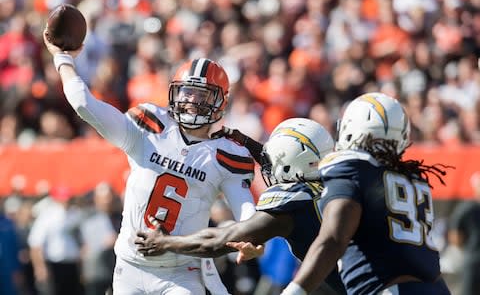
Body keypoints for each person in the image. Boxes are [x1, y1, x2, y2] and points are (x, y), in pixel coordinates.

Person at [43, 30, 257, 295]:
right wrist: (62, 58)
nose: (191, 101)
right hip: (130, 267)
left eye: (201, 95)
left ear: (219, 101)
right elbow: (84, 104)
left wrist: (251, 235)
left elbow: (245, 209)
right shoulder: (149, 127)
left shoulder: (225, 155)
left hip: (182, 272)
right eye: (187, 93)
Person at [135, 118, 346, 295]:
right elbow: (288, 162)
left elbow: (219, 241)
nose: (267, 167)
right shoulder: (338, 180)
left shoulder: (291, 206)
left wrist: (166, 242)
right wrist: (244, 141)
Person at [280, 93, 451, 295]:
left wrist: (294, 290)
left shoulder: (353, 168)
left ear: (349, 129)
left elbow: (334, 238)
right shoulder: (413, 179)